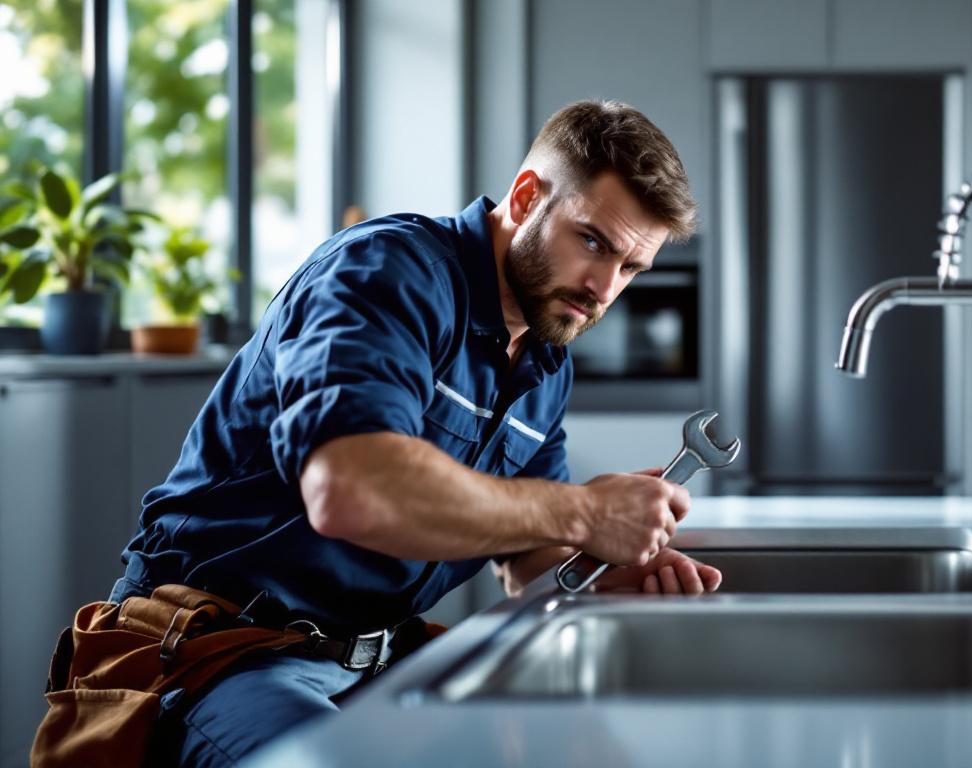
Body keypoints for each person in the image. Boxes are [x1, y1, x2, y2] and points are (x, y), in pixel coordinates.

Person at [90, 100, 718, 766]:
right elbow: (350, 491)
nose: (603, 289)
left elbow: (524, 559)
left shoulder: (544, 358)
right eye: (593, 242)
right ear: (528, 196)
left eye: (630, 268)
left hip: (376, 660)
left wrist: (603, 568)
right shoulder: (387, 273)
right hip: (223, 652)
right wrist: (587, 511)